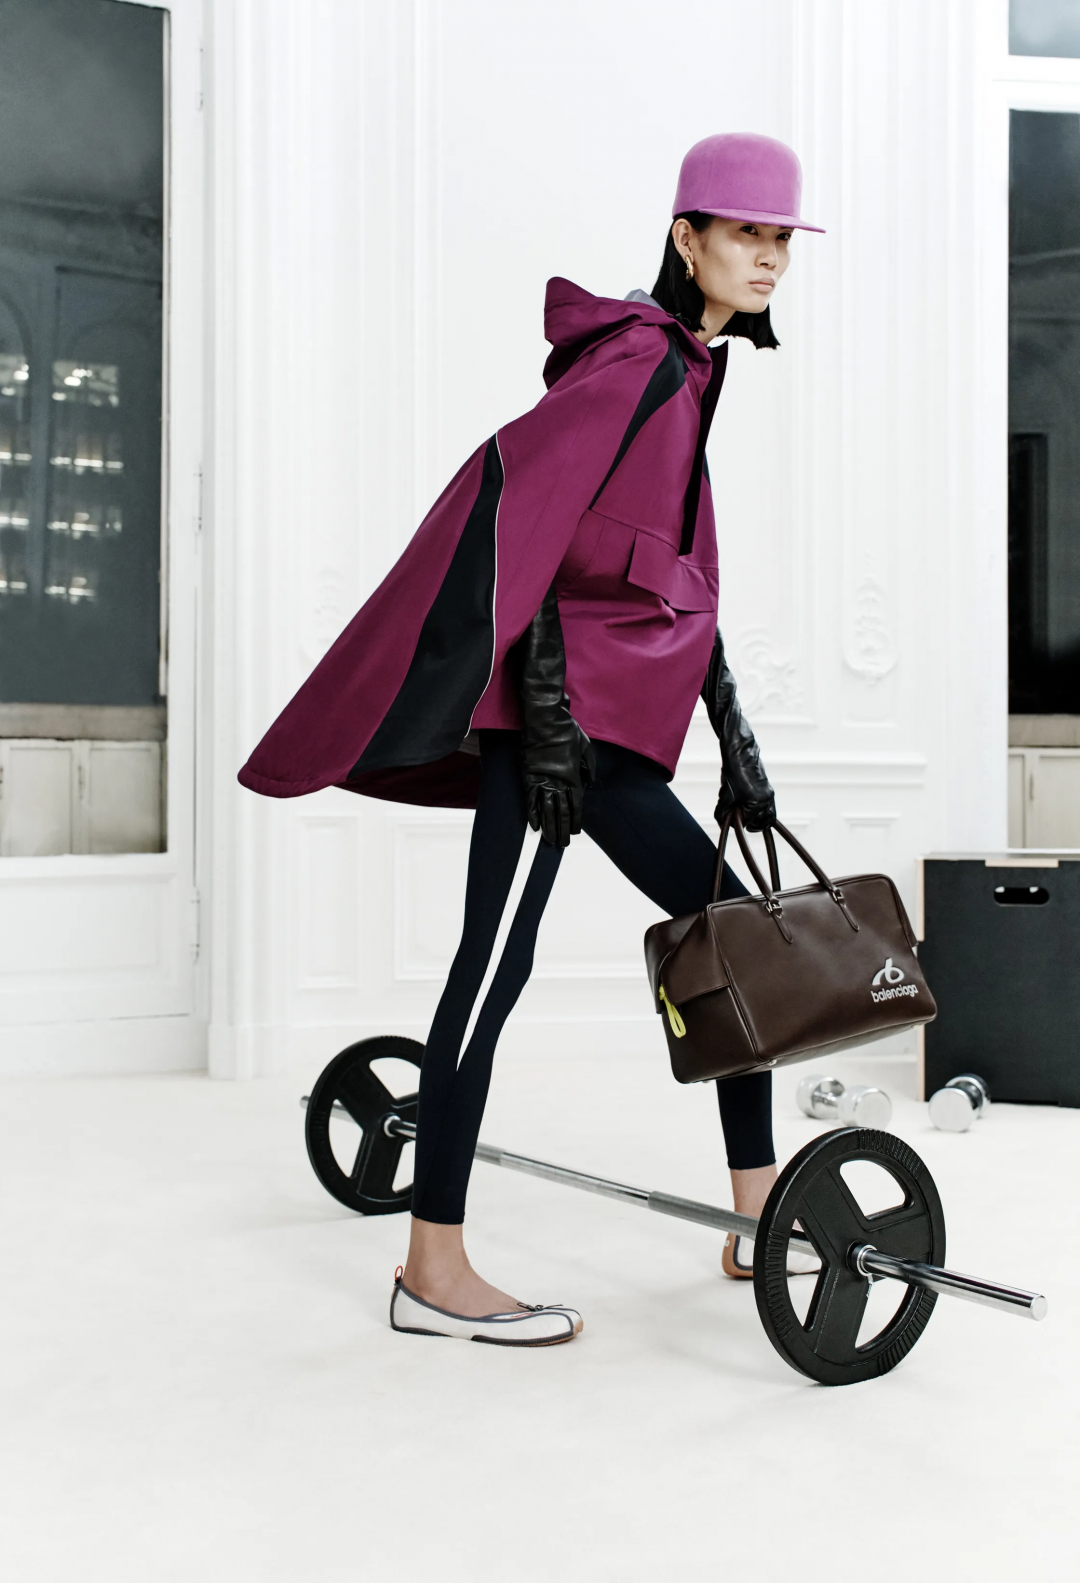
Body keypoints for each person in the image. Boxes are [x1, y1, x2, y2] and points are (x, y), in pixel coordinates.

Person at [239, 132, 826, 1347]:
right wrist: (547, 722)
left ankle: (756, 1212)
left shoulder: (691, 373)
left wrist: (736, 740)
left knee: (733, 940)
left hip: (604, 735)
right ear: (687, 240)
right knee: (492, 969)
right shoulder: (642, 363)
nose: (768, 256)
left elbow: (674, 583)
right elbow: (524, 521)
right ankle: (432, 1268)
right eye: (745, 233)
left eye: (781, 238)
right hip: (554, 736)